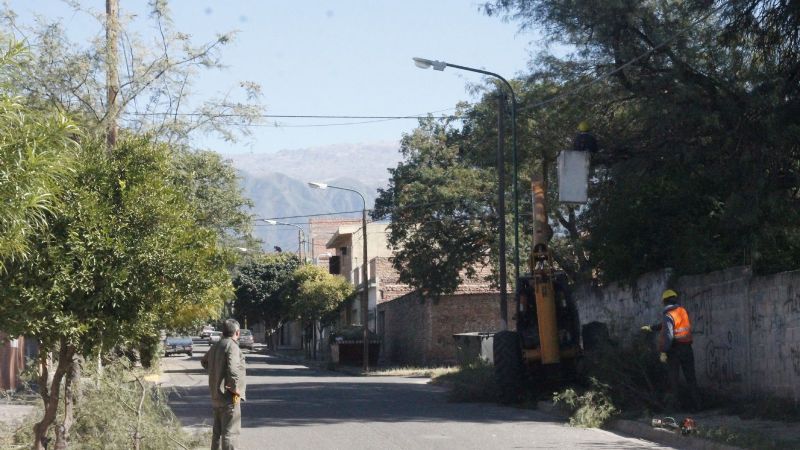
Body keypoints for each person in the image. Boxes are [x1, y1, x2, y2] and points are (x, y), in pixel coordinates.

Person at [641, 289, 701, 410]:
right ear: (675, 299)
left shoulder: (668, 315)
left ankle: (676, 408)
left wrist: (663, 351)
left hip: (674, 351)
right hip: (687, 348)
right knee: (691, 379)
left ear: (664, 302)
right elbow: (671, 325)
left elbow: (668, 335)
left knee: (674, 380)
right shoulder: (682, 311)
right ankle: (697, 406)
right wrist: (652, 328)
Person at [201, 319, 247, 450]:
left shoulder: (216, 345)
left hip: (216, 395)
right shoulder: (232, 346)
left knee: (217, 433)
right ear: (237, 332)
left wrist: (216, 374)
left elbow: (204, 361)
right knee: (230, 433)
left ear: (223, 332)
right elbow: (233, 370)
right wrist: (235, 391)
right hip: (230, 396)